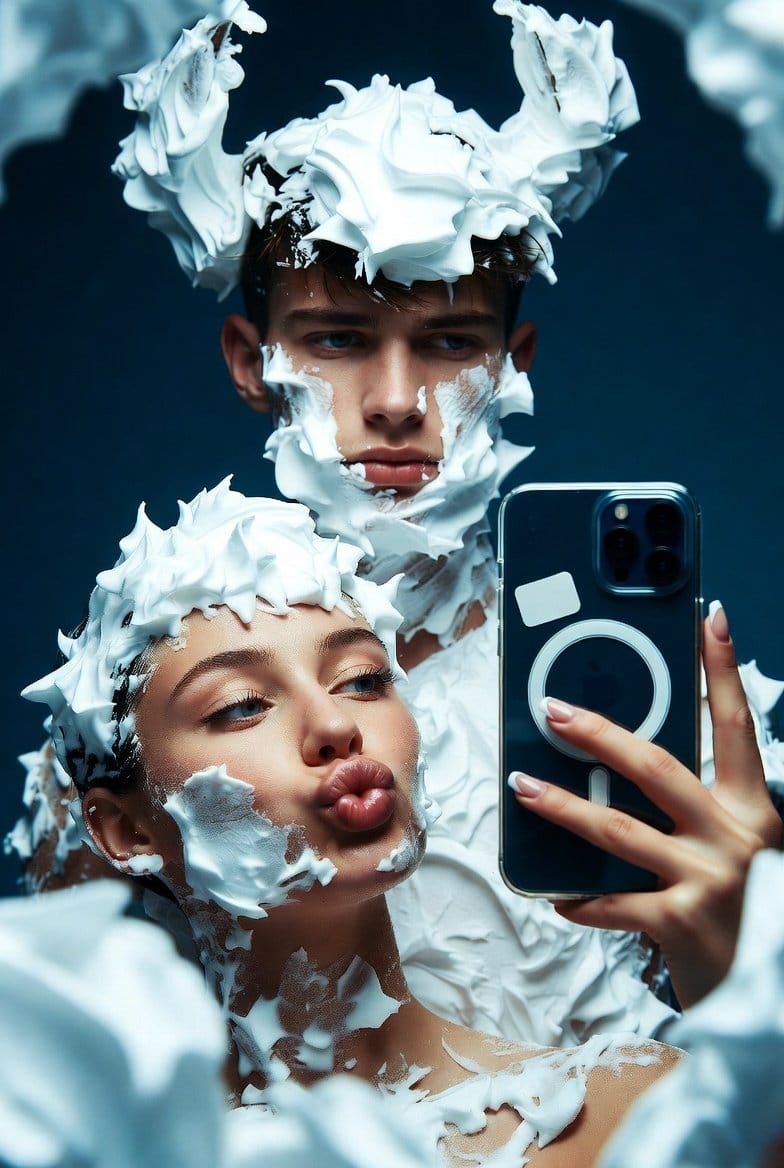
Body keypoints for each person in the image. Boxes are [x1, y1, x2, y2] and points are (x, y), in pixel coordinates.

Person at [9, 0, 782, 1045]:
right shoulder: (147, 699)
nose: (391, 399)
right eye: (335, 338)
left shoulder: (647, 689)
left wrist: (750, 953)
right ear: (251, 360)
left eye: (451, 341)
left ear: (512, 364)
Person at [23, 479, 680, 1166]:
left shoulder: (628, 1108)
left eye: (363, 680)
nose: (337, 725)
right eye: (242, 705)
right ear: (127, 833)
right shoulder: (99, 1151)